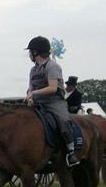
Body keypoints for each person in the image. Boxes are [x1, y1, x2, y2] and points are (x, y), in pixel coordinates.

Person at [25, 36, 81, 167]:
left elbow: (52, 88)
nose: (29, 55)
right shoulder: (33, 70)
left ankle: (70, 151)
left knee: (63, 120)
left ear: (35, 52)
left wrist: (33, 93)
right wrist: (30, 96)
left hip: (54, 101)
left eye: (30, 52)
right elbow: (30, 87)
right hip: (38, 102)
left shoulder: (53, 66)